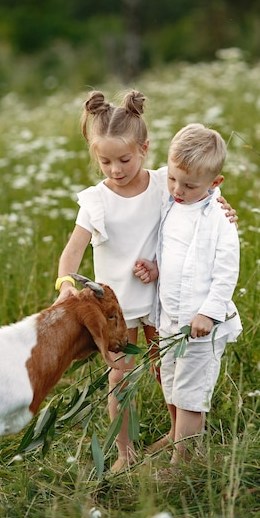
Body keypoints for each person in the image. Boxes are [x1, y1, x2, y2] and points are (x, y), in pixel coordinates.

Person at [55, 92, 237, 472]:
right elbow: (73, 251)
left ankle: (177, 436)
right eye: (104, 161)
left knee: (166, 370)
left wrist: (223, 207)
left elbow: (200, 193)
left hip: (159, 300)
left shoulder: (163, 183)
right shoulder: (96, 201)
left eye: (124, 159)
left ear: (144, 149)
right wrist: (65, 283)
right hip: (115, 308)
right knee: (120, 379)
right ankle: (125, 453)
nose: (116, 169)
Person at [133, 123, 242, 465]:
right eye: (173, 180)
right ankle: (177, 438)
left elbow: (225, 274)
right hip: (171, 319)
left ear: (215, 184)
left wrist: (209, 313)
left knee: (191, 392)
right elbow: (175, 255)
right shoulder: (172, 206)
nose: (177, 189)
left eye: (190, 185)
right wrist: (155, 269)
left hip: (200, 325)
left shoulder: (218, 220)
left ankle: (184, 461)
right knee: (171, 381)